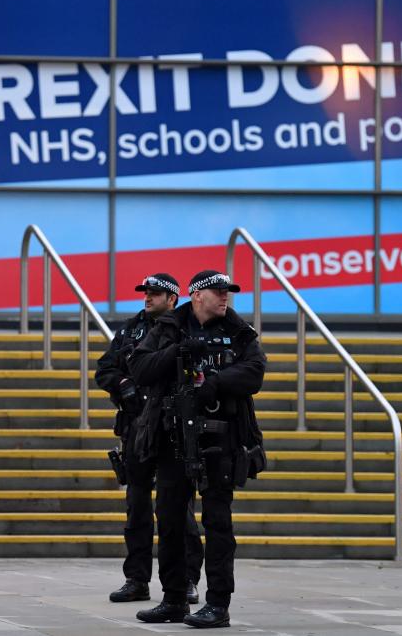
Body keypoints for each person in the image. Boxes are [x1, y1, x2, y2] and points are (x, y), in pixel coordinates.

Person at [128, 270, 266, 629]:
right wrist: (177, 351)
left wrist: (216, 384)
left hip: (221, 438)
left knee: (218, 522)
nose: (225, 298)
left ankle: (217, 603)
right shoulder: (170, 327)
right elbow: (139, 367)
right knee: (171, 519)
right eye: (218, 292)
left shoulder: (239, 331)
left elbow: (255, 372)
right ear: (197, 295)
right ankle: (173, 598)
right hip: (172, 437)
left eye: (228, 292)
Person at [95, 273, 203, 605]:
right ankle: (137, 579)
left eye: (156, 293)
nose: (148, 297)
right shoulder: (129, 329)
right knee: (137, 506)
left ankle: (186, 579)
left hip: (171, 428)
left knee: (178, 507)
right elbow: (105, 370)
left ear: (173, 298)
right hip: (135, 428)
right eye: (145, 292)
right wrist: (124, 387)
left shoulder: (184, 327)